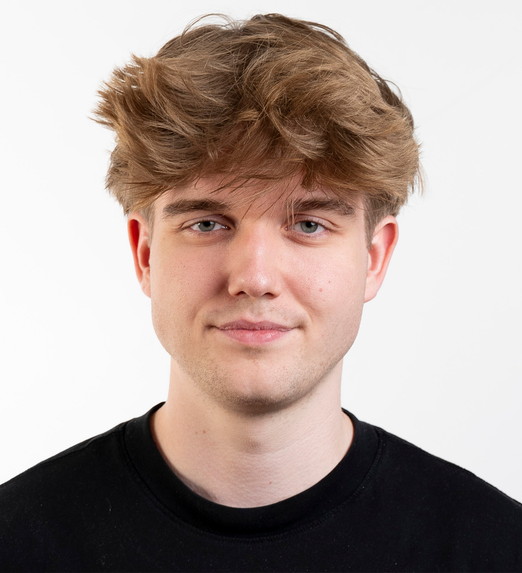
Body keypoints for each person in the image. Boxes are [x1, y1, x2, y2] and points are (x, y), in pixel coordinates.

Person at [0, 13, 521, 572]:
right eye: (207, 224)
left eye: (309, 225)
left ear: (374, 258)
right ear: (145, 253)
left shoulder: (496, 550)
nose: (255, 277)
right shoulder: (17, 542)